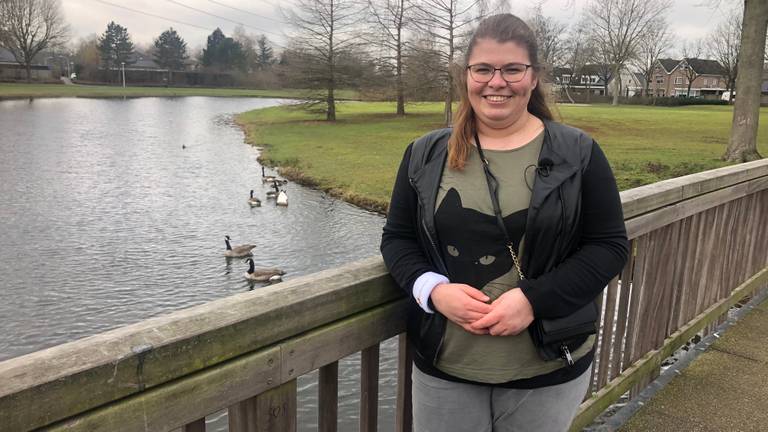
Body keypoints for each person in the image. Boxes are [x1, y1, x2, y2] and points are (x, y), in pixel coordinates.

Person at [380, 13, 629, 432]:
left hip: (546, 365)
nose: (497, 82)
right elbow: (397, 239)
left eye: (512, 69)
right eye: (483, 69)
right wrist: (433, 291)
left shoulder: (578, 152)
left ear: (533, 77)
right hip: (446, 365)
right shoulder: (424, 154)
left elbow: (609, 247)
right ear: (466, 76)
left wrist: (534, 300)